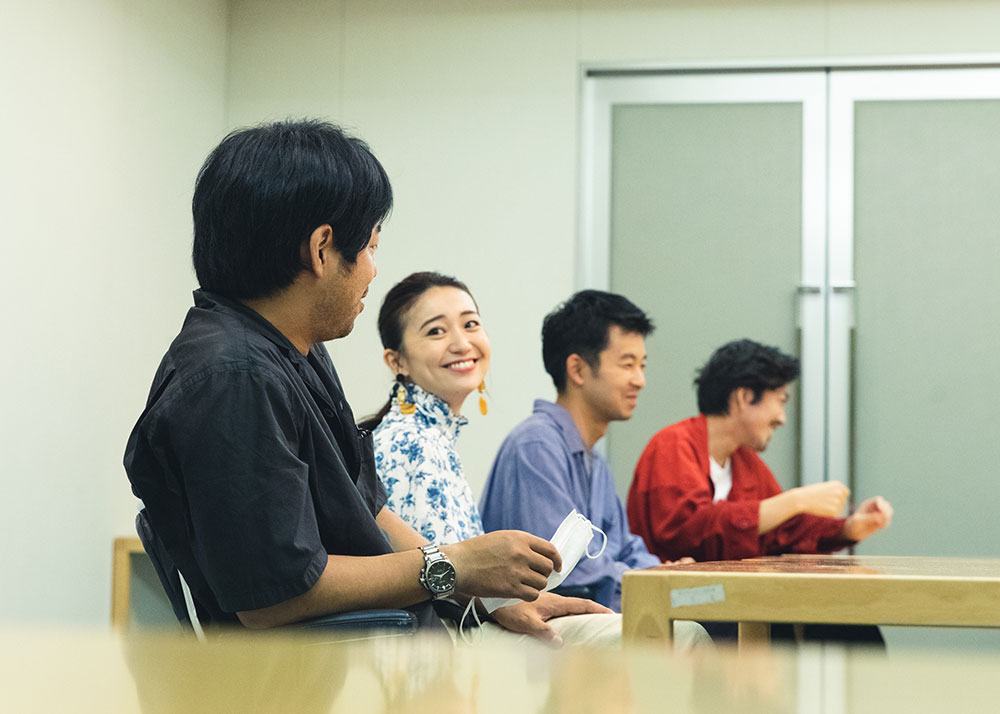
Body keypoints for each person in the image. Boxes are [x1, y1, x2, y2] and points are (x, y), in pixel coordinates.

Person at [123, 120, 613, 646]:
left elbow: (369, 511)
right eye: (372, 247)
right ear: (322, 249)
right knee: (651, 648)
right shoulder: (234, 378)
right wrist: (456, 566)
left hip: (414, 630)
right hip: (345, 668)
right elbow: (275, 596)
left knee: (629, 637)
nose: (374, 272)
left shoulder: (293, 352)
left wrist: (484, 593)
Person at [364, 275, 709, 648]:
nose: (462, 342)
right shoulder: (414, 440)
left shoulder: (433, 436)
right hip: (452, 631)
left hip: (481, 614)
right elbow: (448, 579)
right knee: (685, 636)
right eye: (436, 331)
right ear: (396, 360)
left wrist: (657, 573)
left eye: (470, 324)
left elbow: (622, 549)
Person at [478, 290, 667, 612]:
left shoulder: (595, 460)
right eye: (627, 364)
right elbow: (561, 568)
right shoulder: (536, 445)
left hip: (589, 616)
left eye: (642, 365)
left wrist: (665, 572)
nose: (640, 380)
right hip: (541, 624)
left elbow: (624, 547)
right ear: (578, 370)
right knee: (688, 636)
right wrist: (647, 577)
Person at [627, 338, 893, 564]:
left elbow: (784, 531)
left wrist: (850, 527)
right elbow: (687, 533)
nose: (782, 418)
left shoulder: (745, 461)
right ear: (744, 397)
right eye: (779, 401)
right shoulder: (673, 445)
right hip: (679, 606)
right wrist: (795, 500)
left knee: (843, 620)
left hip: (733, 603)